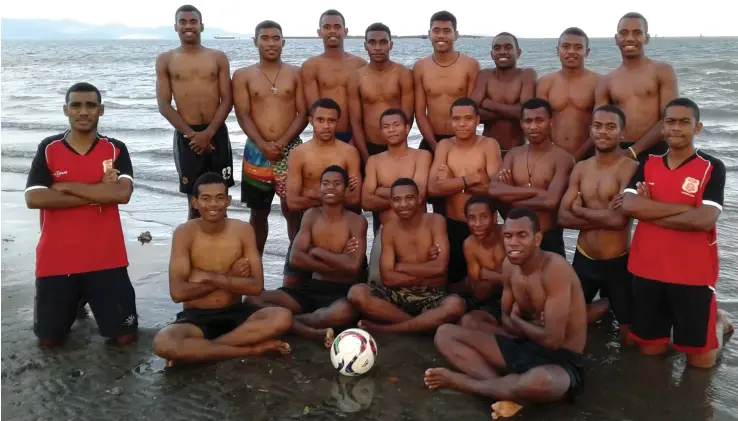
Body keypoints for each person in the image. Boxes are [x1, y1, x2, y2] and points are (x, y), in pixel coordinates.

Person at [425, 208, 587, 416]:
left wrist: (519, 321)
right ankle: (505, 390)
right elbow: (506, 320)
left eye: (522, 235)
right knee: (444, 334)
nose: (513, 243)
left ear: (537, 239)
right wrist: (526, 324)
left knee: (539, 382)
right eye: (508, 236)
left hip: (561, 361)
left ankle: (462, 383)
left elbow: (553, 340)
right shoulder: (510, 267)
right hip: (525, 346)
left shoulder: (555, 269)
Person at [621, 98, 733, 368]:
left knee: (701, 364)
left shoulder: (712, 167)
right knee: (652, 354)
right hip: (647, 268)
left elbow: (705, 219)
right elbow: (628, 205)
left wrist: (651, 208)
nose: (676, 128)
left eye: (685, 122)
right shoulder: (648, 163)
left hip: (692, 273)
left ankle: (718, 323)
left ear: (698, 128)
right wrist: (685, 209)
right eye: (670, 121)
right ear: (662, 127)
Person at [25, 82, 138, 347]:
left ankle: (84, 302)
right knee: (49, 342)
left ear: (101, 110)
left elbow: (121, 195)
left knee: (125, 337)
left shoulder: (115, 148)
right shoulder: (49, 148)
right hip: (57, 259)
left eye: (91, 105)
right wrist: (99, 191)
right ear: (66, 110)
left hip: (106, 257)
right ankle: (75, 304)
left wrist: (67, 188)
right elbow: (35, 198)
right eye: (76, 105)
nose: (83, 111)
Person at [152, 173, 292, 364]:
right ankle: (251, 350)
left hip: (235, 313)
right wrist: (230, 276)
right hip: (196, 319)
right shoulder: (184, 233)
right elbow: (178, 293)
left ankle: (204, 350)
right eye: (206, 198)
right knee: (163, 342)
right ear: (195, 202)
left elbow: (256, 287)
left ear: (228, 201)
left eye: (219, 198)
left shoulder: (243, 230)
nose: (213, 205)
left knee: (282, 316)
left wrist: (211, 277)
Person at [250, 166, 367, 347]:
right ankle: (305, 328)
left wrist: (317, 252)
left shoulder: (357, 221)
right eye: (325, 183)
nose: (330, 188)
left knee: (342, 314)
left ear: (345, 189)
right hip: (310, 288)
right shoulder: (311, 216)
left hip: (340, 292)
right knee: (253, 300)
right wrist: (339, 260)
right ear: (319, 188)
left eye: (337, 184)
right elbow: (295, 259)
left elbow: (353, 267)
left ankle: (285, 323)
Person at [558, 105, 638, 341]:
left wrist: (580, 210)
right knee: (569, 324)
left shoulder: (631, 168)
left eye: (611, 127)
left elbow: (619, 221)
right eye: (598, 126)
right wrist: (603, 216)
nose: (603, 132)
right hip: (584, 259)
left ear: (622, 133)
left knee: (628, 335)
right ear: (590, 130)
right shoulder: (581, 168)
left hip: (619, 262)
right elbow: (562, 217)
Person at [348, 178, 466, 334]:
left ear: (419, 199)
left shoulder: (435, 221)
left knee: (456, 305)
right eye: (397, 199)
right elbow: (388, 278)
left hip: (431, 295)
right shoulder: (389, 228)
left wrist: (401, 267)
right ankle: (419, 325)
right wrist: (426, 275)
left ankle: (389, 329)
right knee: (357, 293)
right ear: (390, 202)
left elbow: (439, 269)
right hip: (398, 294)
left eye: (409, 198)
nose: (403, 204)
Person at [232, 20, 307, 254]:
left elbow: (303, 112)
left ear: (283, 42)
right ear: (255, 42)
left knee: (293, 209)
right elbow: (243, 115)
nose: (271, 43)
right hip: (256, 150)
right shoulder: (243, 75)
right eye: (265, 38)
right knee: (258, 212)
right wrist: (263, 144)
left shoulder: (296, 73)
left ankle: (295, 268)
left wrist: (283, 142)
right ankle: (255, 266)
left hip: (291, 148)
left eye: (276, 38)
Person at [156, 5, 235, 219]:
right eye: (183, 22)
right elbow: (164, 105)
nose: (188, 26)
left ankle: (222, 250)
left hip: (215, 133)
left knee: (220, 199)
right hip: (186, 136)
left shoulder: (217, 57)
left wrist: (208, 133)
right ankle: (193, 250)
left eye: (193, 22)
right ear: (175, 27)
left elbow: (227, 99)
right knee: (194, 201)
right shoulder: (166, 59)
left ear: (201, 26)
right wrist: (193, 136)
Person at [285, 98, 362, 286]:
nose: (326, 126)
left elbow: (355, 199)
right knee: (290, 285)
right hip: (309, 226)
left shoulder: (349, 152)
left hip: (341, 228)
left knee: (349, 286)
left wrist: (309, 192)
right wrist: (333, 195)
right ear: (311, 120)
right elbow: (292, 202)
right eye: (320, 120)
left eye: (331, 121)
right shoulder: (299, 154)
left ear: (338, 122)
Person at [428, 98, 502, 288]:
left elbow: (496, 189)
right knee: (454, 281)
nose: (461, 124)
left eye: (468, 118)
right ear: (451, 121)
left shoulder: (489, 145)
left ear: (478, 120)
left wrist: (453, 182)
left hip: (483, 228)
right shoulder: (445, 146)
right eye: (456, 119)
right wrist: (467, 180)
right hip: (452, 224)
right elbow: (433, 188)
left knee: (484, 282)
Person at [487, 98, 574, 258]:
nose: (533, 126)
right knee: (516, 281)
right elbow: (493, 189)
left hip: (548, 236)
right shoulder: (513, 154)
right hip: (515, 237)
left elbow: (551, 202)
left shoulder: (562, 158)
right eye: (528, 121)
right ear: (521, 124)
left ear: (551, 122)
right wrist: (536, 191)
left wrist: (511, 199)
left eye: (539, 120)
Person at [414, 11, 480, 214]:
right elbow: (419, 111)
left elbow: (471, 110)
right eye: (436, 31)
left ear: (456, 34)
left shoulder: (470, 65)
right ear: (429, 34)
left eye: (446, 31)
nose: (441, 35)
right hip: (431, 139)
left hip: (462, 141)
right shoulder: (420, 67)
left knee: (463, 197)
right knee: (426, 195)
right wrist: (435, 144)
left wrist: (458, 143)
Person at [595, 12, 678, 163]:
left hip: (657, 148)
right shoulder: (606, 80)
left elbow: (669, 118)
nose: (630, 38)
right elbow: (599, 124)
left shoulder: (662, 71)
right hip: (619, 151)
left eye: (637, 33)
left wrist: (633, 151)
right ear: (616, 39)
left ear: (646, 38)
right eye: (624, 33)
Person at [362, 108, 432, 283]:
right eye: (386, 126)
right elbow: (366, 202)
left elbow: (420, 196)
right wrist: (406, 196)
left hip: (418, 231)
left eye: (396, 125)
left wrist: (380, 190)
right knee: (377, 284)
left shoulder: (422, 156)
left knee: (422, 283)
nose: (391, 130)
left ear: (407, 128)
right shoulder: (374, 161)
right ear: (381, 131)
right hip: (386, 231)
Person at [347, 23, 414, 164]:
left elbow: (408, 117)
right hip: (368, 145)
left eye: (383, 42)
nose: (378, 47)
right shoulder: (356, 77)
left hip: (398, 148)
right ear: (365, 46)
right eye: (372, 42)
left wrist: (400, 150)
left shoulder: (403, 74)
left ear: (391, 45)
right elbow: (356, 122)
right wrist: (365, 157)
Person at [302, 9, 367, 144]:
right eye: (327, 27)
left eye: (337, 27)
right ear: (319, 33)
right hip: (324, 137)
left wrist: (357, 140)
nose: (332, 31)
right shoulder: (311, 66)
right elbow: (314, 109)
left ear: (345, 31)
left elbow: (366, 107)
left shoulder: (360, 64)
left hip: (356, 136)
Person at [537, 28, 600, 161]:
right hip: (553, 157)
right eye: (566, 47)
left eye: (578, 47)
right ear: (557, 50)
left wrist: (575, 158)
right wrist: (555, 156)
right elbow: (540, 123)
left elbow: (601, 125)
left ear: (587, 52)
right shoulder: (545, 82)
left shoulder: (599, 82)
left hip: (590, 158)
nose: (571, 51)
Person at [471, 32, 537, 157]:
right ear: (492, 54)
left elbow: (526, 114)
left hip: (519, 151)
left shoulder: (527, 75)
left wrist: (488, 104)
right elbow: (472, 114)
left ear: (518, 52)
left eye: (508, 47)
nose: (502, 51)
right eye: (497, 48)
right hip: (486, 151)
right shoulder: (485, 76)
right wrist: (513, 110)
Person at [458, 196, 507, 332]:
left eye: (483, 217)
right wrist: (502, 275)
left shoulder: (507, 235)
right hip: (490, 302)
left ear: (494, 217)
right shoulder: (469, 244)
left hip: (518, 299)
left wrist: (486, 274)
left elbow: (522, 280)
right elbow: (480, 293)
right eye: (472, 218)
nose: (477, 224)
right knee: (466, 322)